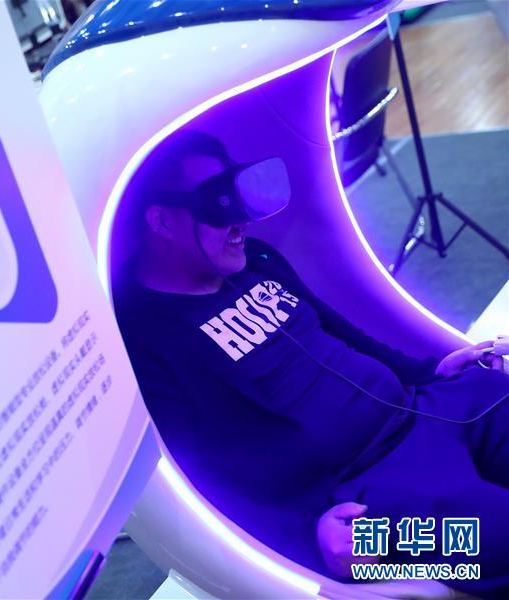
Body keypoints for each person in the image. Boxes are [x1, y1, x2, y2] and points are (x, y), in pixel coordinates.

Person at [112, 130, 509, 597]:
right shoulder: (144, 334)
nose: (240, 222)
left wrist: (429, 369)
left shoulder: (257, 260)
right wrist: (306, 536)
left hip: (422, 407)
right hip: (367, 500)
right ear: (162, 221)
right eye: (218, 205)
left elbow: (339, 332)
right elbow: (200, 475)